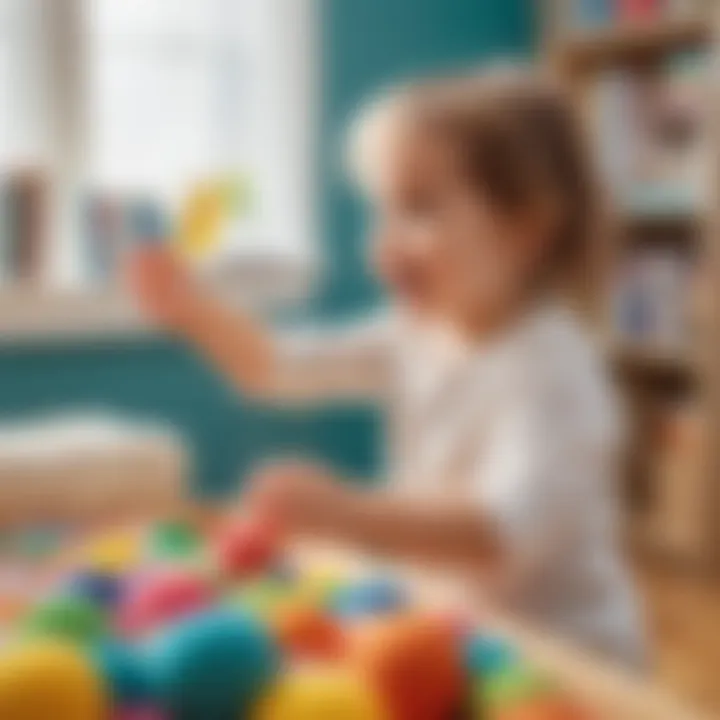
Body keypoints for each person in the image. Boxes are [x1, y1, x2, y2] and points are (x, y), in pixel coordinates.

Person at [128, 68, 645, 667]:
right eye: (383, 211)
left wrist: (346, 513)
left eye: (420, 209)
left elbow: (500, 531)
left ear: (527, 228)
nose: (384, 241)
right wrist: (193, 311)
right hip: (460, 636)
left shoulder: (554, 373)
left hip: (566, 663)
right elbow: (278, 366)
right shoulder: (414, 333)